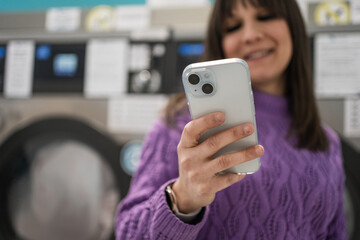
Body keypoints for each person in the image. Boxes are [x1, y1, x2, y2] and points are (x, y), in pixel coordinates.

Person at [115, 0, 347, 239]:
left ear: (294, 27)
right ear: (221, 43)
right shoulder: (180, 126)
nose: (250, 35)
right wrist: (182, 199)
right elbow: (127, 232)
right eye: (233, 26)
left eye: (266, 16)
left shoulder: (326, 141)